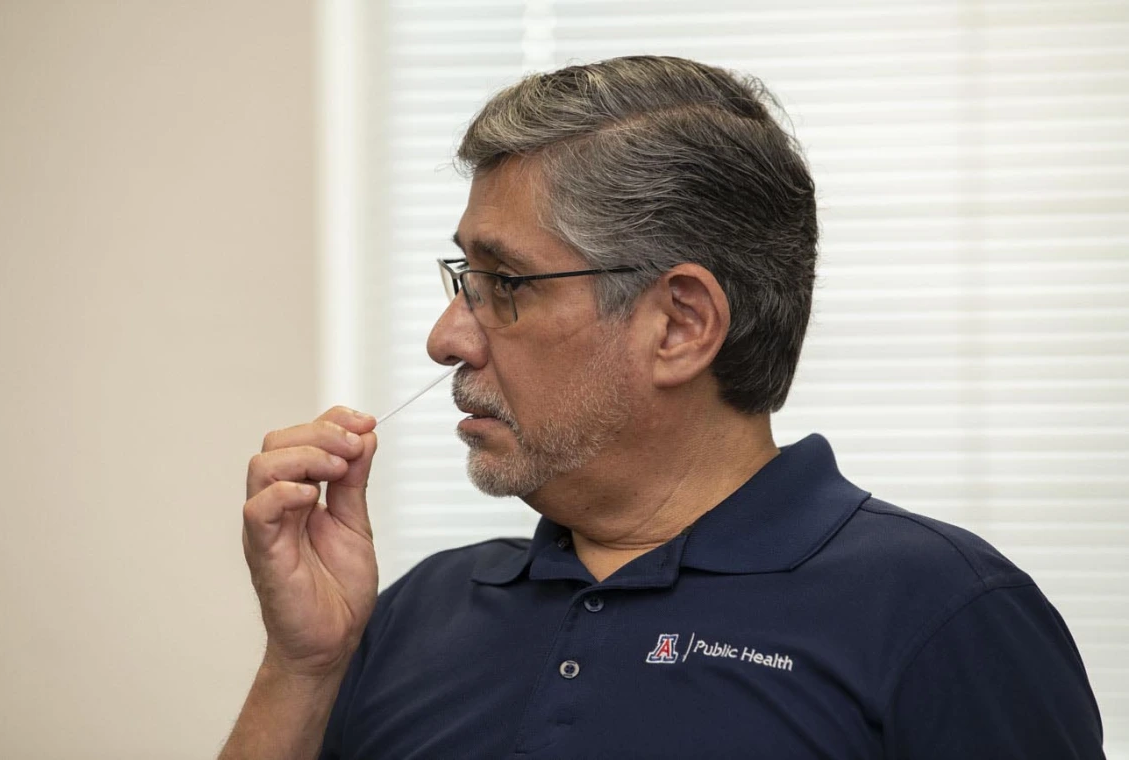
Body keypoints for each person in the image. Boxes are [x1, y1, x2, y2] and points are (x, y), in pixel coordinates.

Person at [218, 56, 1105, 759]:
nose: (447, 337)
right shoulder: (418, 611)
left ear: (679, 325)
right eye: (464, 279)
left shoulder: (943, 612)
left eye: (506, 283)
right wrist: (303, 669)